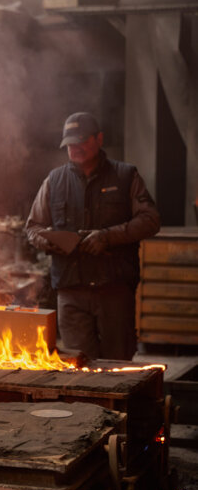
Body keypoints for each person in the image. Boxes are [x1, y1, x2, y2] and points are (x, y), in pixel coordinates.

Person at [26, 112, 160, 361]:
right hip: (71, 293)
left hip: (114, 292)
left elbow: (150, 220)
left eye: (82, 141)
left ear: (99, 139)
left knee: (118, 366)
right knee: (78, 368)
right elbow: (33, 227)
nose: (75, 148)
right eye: (70, 144)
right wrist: (51, 240)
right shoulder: (54, 181)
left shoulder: (125, 176)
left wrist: (107, 237)